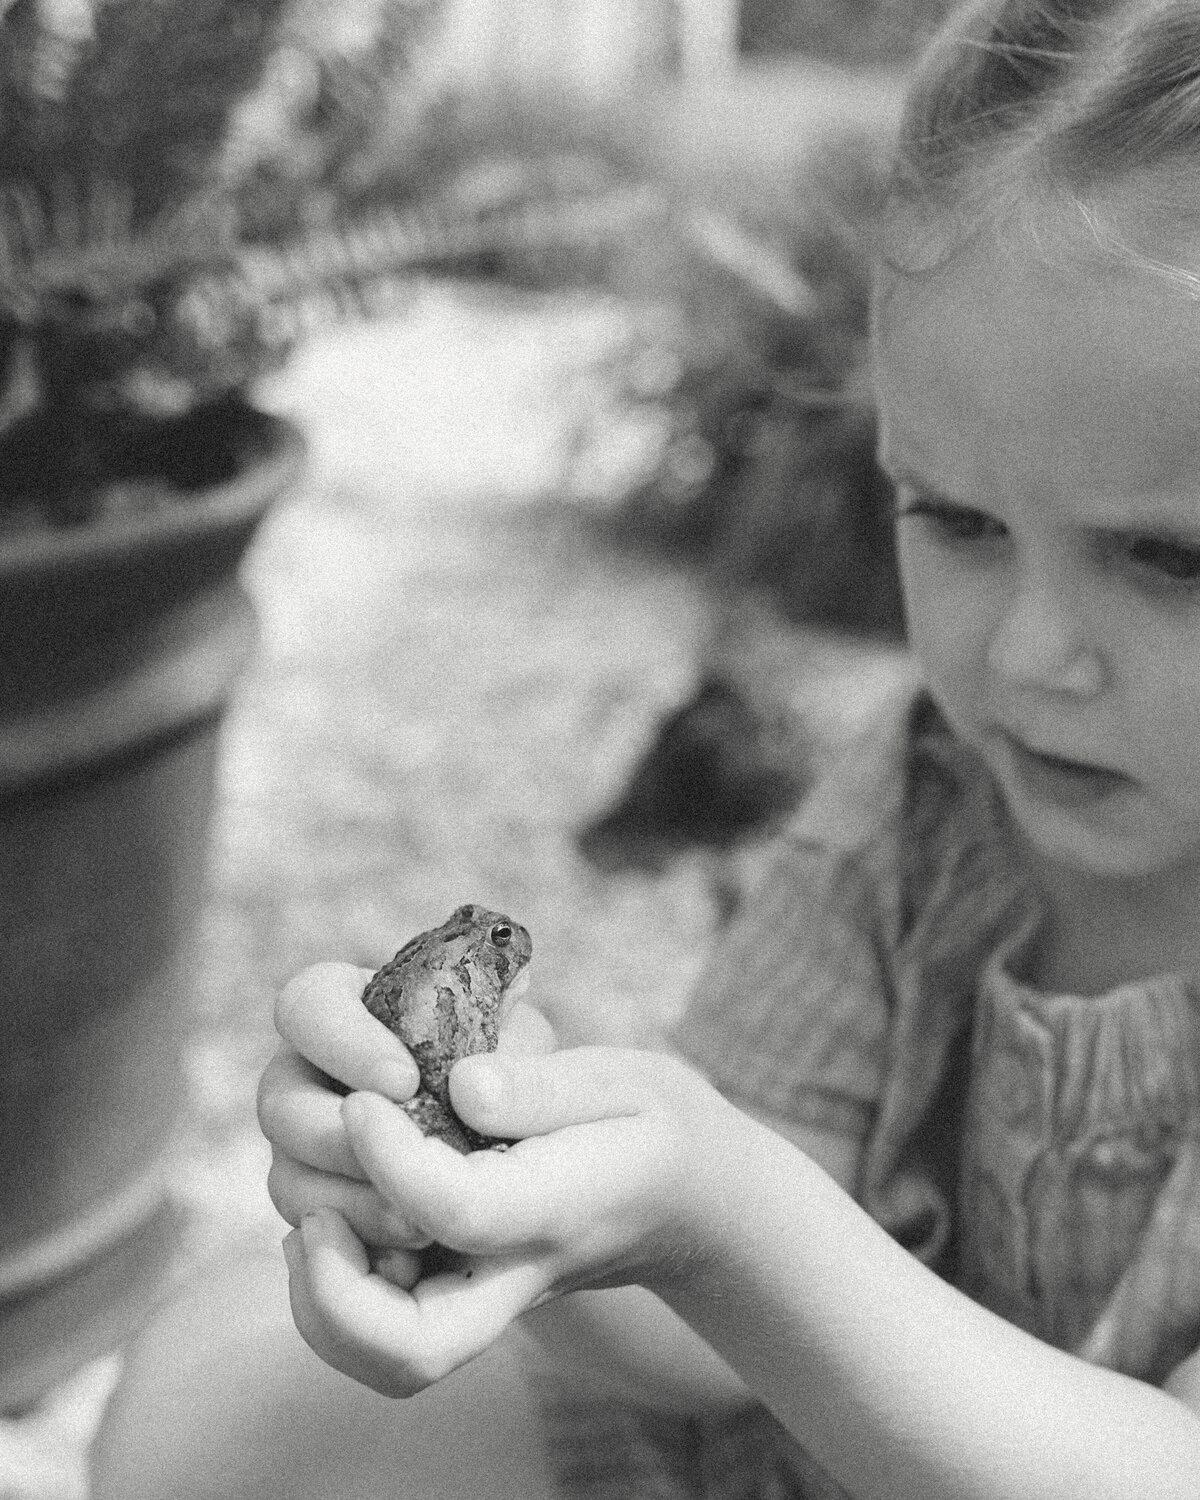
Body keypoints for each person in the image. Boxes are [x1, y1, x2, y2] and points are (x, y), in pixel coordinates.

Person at [91, 1, 1200, 1496]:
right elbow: (704, 1327)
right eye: (960, 520)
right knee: (212, 1398)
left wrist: (732, 1214)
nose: (1023, 655)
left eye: (1170, 561)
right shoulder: (930, 802)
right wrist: (534, 1192)